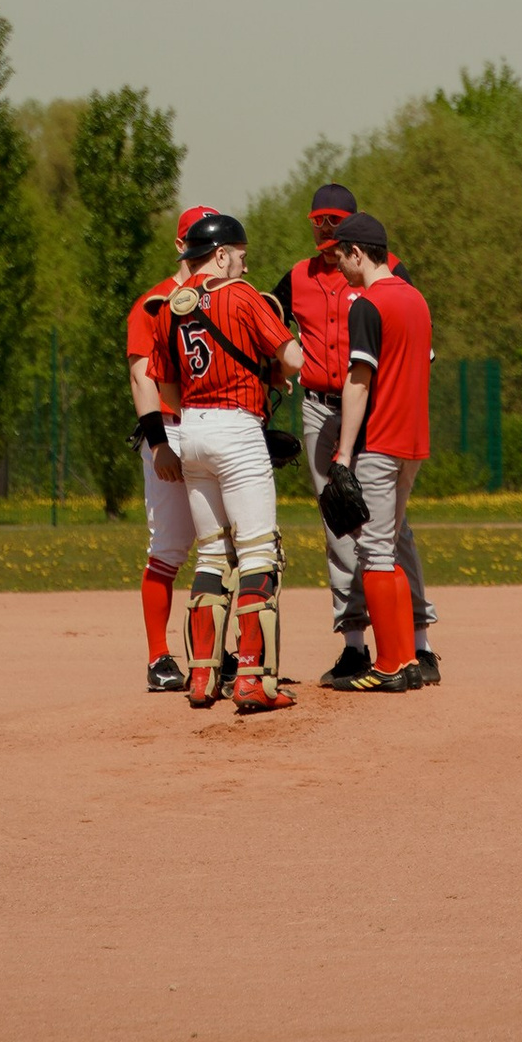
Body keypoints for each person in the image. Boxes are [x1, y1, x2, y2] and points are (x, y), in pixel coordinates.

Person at [276, 183, 436, 687]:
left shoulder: (385, 280)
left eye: (336, 222)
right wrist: (279, 362)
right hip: (324, 409)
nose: (326, 230)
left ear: (354, 239)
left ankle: (414, 644)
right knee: (341, 524)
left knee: (389, 536)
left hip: (373, 415)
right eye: (319, 220)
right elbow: (265, 320)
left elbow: (386, 363)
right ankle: (355, 646)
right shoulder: (298, 276)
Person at [145, 211, 303, 715]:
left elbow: (164, 385)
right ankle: (253, 678)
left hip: (190, 430)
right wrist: (280, 359)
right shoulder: (240, 294)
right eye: (240, 254)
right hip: (236, 429)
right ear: (220, 254)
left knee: (212, 555)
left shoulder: (170, 306)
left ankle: (201, 677)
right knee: (258, 553)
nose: (244, 263)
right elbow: (294, 360)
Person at [321, 219, 438, 693]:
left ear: (356, 253)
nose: (337, 264)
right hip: (413, 441)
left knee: (374, 553)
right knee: (386, 547)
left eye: (339, 255)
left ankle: (389, 663)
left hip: (381, 440)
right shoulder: (416, 299)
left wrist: (344, 452)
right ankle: (407, 658)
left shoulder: (368, 304)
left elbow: (359, 380)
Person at [124, 205, 219, 691]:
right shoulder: (154, 303)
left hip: (222, 425)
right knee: (168, 546)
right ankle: (160, 658)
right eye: (193, 242)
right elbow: (143, 377)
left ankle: (224, 653)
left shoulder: (228, 299)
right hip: (171, 428)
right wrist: (159, 443)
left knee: (227, 545)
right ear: (181, 246)